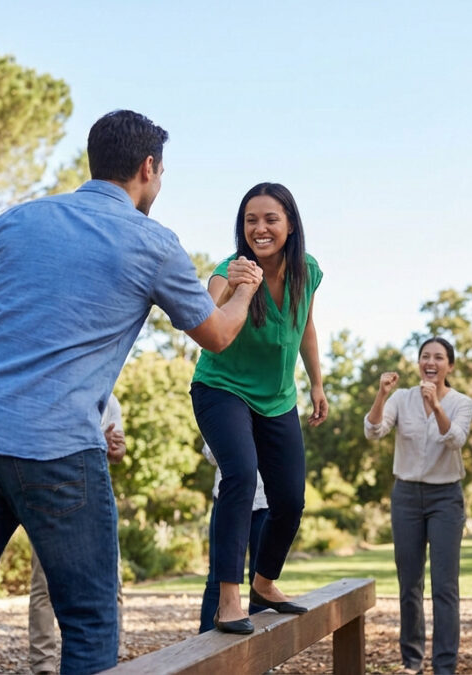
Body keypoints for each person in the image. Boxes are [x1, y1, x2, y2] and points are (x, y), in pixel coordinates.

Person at [0, 110, 262, 675]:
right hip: (58, 451)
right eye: (162, 173)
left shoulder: (15, 221)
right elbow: (217, 335)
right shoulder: (152, 242)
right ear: (148, 167)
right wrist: (244, 289)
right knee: (89, 622)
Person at [190, 181, 328, 635]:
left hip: (278, 398)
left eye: (271, 219)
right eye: (251, 220)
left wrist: (317, 384)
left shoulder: (307, 270)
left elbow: (306, 325)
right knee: (240, 476)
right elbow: (204, 319)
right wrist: (235, 290)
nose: (260, 228)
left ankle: (264, 583)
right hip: (221, 388)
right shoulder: (228, 271)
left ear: (291, 225)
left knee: (289, 499)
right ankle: (229, 600)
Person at [364, 337, 472, 675]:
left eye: (439, 357)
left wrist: (437, 406)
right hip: (407, 497)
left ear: (449, 366)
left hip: (446, 498)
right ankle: (412, 661)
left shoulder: (461, 402)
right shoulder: (401, 398)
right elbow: (373, 431)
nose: (431, 362)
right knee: (409, 583)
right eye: (425, 356)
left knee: (444, 586)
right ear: (418, 363)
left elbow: (455, 440)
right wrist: (381, 395)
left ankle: (444, 665)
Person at [28, 394, 126, 674]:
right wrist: (94, 441)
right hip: (48, 493)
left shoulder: (111, 400)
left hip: (96, 493)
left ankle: (113, 653)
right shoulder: (52, 389)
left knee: (111, 580)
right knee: (43, 583)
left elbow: (117, 454)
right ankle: (43, 663)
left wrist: (116, 448)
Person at [197, 442, 269, 633]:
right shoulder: (221, 419)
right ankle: (207, 645)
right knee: (218, 578)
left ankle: (263, 646)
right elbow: (211, 454)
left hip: (265, 499)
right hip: (228, 500)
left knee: (261, 579)